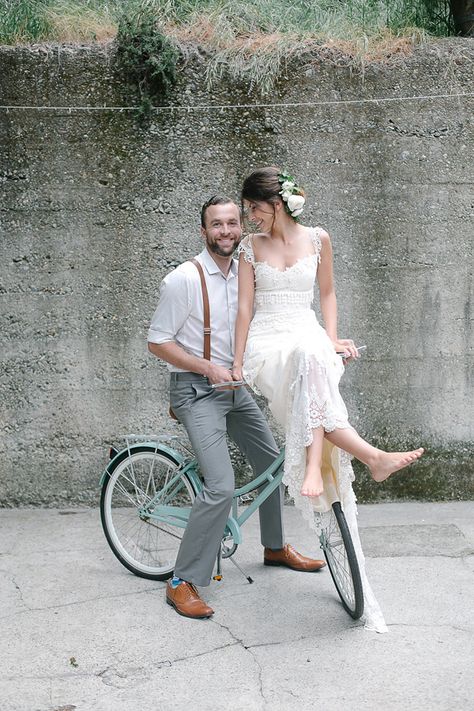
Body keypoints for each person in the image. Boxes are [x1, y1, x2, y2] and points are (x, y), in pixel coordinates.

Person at [232, 167, 424, 632]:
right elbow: (243, 309)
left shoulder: (319, 238)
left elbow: (328, 292)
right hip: (267, 346)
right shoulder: (249, 249)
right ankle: (368, 457)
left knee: (315, 352)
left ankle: (325, 459)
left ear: (276, 204)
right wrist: (237, 363)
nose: (248, 218)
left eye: (254, 208)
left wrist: (333, 338)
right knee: (308, 356)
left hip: (308, 336)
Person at [147, 195, 326, 621]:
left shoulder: (247, 269)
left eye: (232, 223)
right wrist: (207, 367)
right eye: (217, 225)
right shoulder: (183, 280)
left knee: (271, 463)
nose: (225, 231)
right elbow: (157, 341)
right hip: (196, 390)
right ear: (203, 230)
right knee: (221, 486)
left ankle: (274, 546)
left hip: (235, 388)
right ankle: (182, 581)